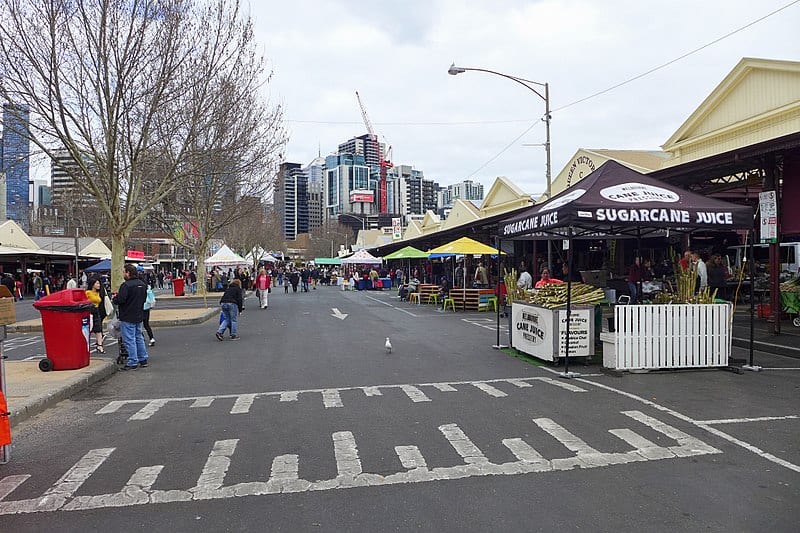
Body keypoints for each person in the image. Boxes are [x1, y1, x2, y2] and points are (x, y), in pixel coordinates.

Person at [112, 264, 149, 370]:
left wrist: (115, 298)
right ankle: (143, 358)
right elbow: (144, 299)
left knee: (129, 339)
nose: (123, 274)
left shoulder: (126, 285)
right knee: (139, 337)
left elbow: (121, 300)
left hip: (127, 315)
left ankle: (133, 361)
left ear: (128, 272)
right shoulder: (142, 284)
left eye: (124, 272)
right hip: (138, 314)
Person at [85, 277, 108, 353]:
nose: (99, 285)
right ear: (92, 284)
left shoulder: (99, 293)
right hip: (89, 311)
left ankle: (100, 346)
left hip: (97, 311)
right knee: (89, 329)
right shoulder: (87, 292)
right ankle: (86, 346)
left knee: (98, 329)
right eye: (97, 283)